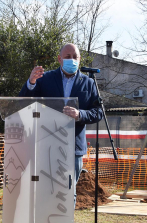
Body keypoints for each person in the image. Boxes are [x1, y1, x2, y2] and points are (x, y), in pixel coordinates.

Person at [19, 43, 103, 204]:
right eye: (67, 57)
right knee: (47, 190)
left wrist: (80, 114)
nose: (72, 60)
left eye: (75, 57)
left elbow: (98, 112)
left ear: (79, 59)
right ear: (59, 59)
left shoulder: (89, 83)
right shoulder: (45, 79)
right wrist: (31, 82)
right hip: (47, 144)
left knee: (68, 193)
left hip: (74, 147)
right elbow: (25, 101)